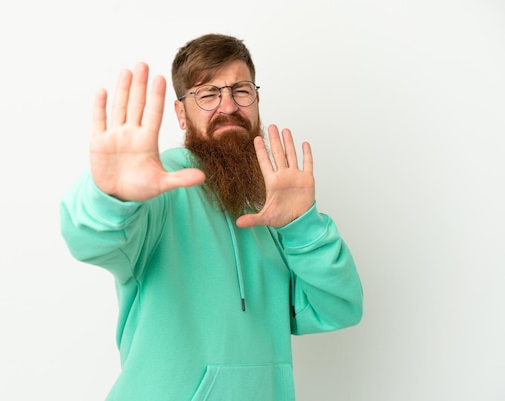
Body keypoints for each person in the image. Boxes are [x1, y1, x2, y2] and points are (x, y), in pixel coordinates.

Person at [60, 33, 363, 401]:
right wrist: (113, 195)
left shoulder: (269, 203)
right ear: (181, 113)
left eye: (241, 90)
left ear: (256, 100)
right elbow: (91, 240)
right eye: (208, 94)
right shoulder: (160, 185)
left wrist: (303, 227)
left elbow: (339, 307)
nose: (229, 105)